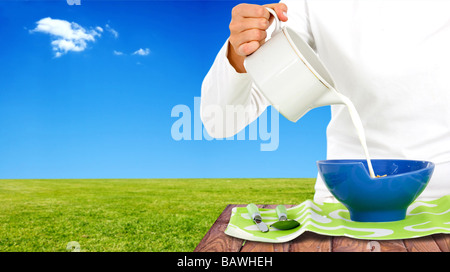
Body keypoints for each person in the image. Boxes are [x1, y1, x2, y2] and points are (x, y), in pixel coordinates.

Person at [200, 0, 450, 202]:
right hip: (345, 204)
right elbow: (221, 122)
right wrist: (240, 50)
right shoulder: (312, 5)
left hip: (443, 201)